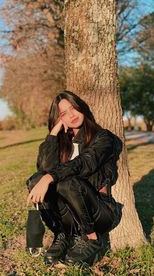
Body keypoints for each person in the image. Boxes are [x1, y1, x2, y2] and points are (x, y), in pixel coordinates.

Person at [26, 90, 123, 266]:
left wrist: (50, 177)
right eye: (63, 113)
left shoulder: (103, 137)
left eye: (73, 108)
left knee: (66, 181)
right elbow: (44, 169)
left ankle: (92, 239)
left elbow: (85, 164)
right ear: (59, 118)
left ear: (81, 108)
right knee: (36, 180)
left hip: (99, 211)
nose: (71, 115)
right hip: (70, 214)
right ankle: (62, 234)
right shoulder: (64, 143)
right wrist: (54, 133)